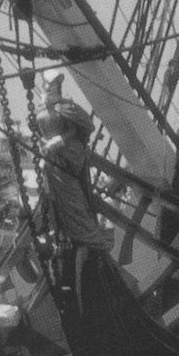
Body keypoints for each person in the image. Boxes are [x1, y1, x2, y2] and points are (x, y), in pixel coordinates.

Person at [35, 69, 112, 251]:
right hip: (50, 159)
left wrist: (60, 140)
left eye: (54, 83)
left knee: (73, 199)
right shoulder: (40, 109)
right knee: (55, 198)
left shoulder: (65, 107)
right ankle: (62, 235)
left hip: (67, 157)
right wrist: (43, 145)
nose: (50, 86)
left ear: (58, 86)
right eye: (48, 83)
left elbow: (81, 127)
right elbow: (39, 133)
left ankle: (89, 238)